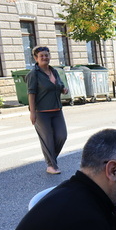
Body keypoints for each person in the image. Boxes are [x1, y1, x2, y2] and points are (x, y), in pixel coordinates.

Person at [27, 45, 68, 174]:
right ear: (36, 58)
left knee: (62, 136)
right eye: (41, 56)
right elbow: (31, 94)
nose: (45, 58)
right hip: (41, 113)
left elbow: (59, 85)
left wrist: (63, 89)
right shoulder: (33, 74)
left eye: (46, 55)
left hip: (57, 110)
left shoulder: (54, 71)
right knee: (48, 139)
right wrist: (32, 113)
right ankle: (51, 166)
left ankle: (51, 159)